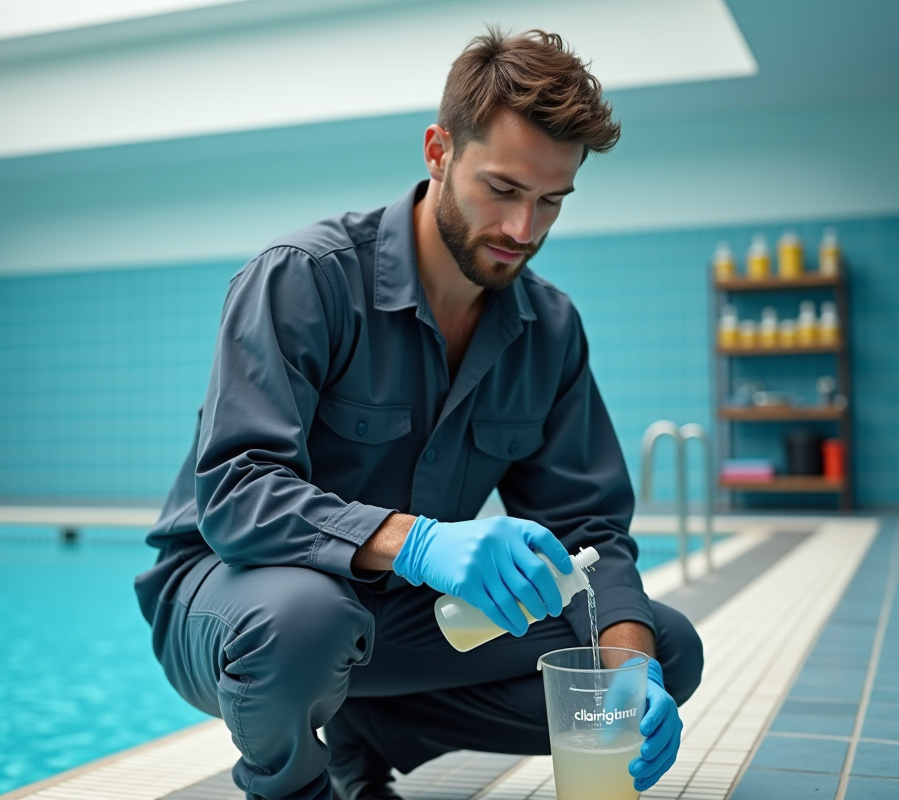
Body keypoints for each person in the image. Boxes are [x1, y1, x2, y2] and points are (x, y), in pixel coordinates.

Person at [134, 28, 703, 800]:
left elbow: (593, 537)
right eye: (502, 190)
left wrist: (630, 667)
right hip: (236, 595)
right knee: (307, 619)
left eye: (550, 202)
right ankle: (297, 788)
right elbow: (234, 496)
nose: (522, 232)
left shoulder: (551, 330)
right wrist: (416, 541)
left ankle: (368, 734)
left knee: (660, 642)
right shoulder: (305, 280)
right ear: (439, 151)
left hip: (400, 620)